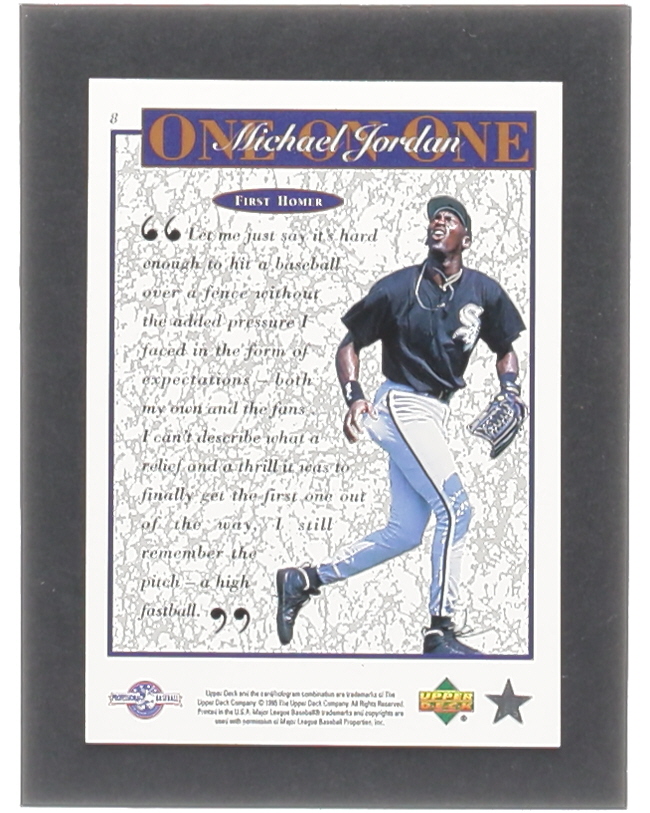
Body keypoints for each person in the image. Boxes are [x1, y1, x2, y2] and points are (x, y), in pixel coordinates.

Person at [276, 195, 527, 657]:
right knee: (457, 511)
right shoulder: (397, 288)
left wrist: (510, 389)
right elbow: (349, 344)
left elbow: (505, 347)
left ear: (466, 239)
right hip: (399, 405)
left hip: (434, 413)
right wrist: (353, 396)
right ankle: (440, 630)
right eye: (435, 217)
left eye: (450, 218)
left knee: (406, 532)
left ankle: (305, 579)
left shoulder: (483, 291)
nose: (440, 221)